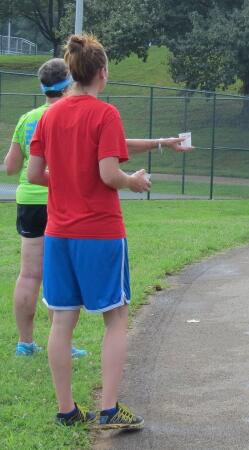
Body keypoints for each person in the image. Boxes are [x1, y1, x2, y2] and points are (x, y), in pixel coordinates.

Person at [28, 34, 191, 428]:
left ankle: (66, 411)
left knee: (61, 321)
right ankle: (109, 409)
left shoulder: (48, 115)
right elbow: (107, 172)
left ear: (72, 72)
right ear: (102, 72)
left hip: (58, 234)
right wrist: (131, 181)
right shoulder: (105, 113)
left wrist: (159, 143)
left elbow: (34, 173)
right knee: (116, 316)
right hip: (99, 232)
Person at [4, 58, 87, 358]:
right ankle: (61, 343)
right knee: (59, 273)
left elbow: (11, 167)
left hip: (29, 201)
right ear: (69, 82)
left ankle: (25, 343)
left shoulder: (27, 118)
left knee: (29, 275)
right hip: (59, 199)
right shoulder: (70, 114)